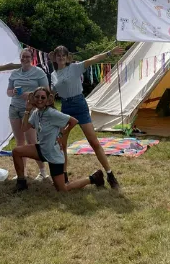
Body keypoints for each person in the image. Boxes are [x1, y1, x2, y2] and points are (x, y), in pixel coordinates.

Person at [50, 45, 125, 189]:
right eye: (58, 55)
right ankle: (64, 176)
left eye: (63, 55)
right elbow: (52, 93)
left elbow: (92, 60)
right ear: (55, 57)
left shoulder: (75, 68)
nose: (61, 57)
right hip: (65, 108)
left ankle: (110, 175)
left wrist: (109, 53)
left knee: (94, 142)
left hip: (79, 104)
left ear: (67, 58)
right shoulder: (53, 75)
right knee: (62, 145)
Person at [12, 87, 105, 192]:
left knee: (62, 189)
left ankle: (94, 178)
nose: (39, 99)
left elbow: (73, 121)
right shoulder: (36, 113)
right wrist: (27, 110)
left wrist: (61, 134)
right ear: (33, 98)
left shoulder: (52, 113)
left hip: (54, 154)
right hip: (42, 149)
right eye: (37, 97)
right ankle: (21, 183)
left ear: (48, 100)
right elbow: (24, 128)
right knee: (16, 151)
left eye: (43, 97)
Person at [8, 49, 50, 180]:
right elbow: (8, 92)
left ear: (32, 58)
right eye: (22, 57)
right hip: (14, 108)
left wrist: (32, 95)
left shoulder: (38, 72)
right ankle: (22, 173)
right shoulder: (15, 73)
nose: (24, 59)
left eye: (27, 57)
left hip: (31, 110)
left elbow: (47, 91)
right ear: (20, 58)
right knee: (19, 141)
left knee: (32, 141)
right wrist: (13, 91)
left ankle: (43, 172)